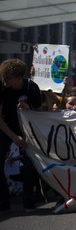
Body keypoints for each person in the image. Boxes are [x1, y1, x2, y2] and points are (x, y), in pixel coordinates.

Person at [0, 59, 44, 213]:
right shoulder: (2, 89)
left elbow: (40, 114)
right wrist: (13, 137)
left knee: (30, 164)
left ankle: (28, 202)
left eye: (7, 78)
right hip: (7, 128)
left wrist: (29, 108)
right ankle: (4, 203)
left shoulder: (31, 87)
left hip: (28, 130)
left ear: (18, 78)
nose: (4, 81)